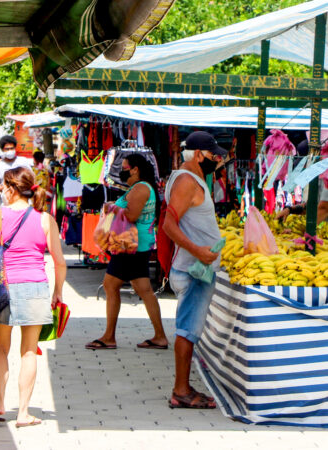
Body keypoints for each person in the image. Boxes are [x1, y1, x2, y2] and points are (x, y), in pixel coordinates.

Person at [0, 167, 66, 427]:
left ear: (11, 189)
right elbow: (60, 262)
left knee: (1, 348)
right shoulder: (44, 219)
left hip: (2, 288)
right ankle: (24, 413)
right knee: (29, 351)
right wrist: (58, 291)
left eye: (5, 186)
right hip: (34, 287)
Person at [162, 131, 227, 409]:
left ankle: (184, 386)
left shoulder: (190, 177)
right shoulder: (187, 181)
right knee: (187, 331)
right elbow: (168, 224)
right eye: (213, 154)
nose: (217, 159)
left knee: (188, 329)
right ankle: (181, 391)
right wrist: (199, 251)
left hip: (196, 268)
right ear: (198, 155)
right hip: (194, 270)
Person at [86, 154, 168, 350]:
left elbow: (131, 214)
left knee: (110, 285)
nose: (121, 172)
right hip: (136, 245)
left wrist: (112, 207)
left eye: (124, 167)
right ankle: (160, 336)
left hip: (129, 246)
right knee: (144, 290)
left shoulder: (140, 188)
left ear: (135, 169)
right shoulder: (141, 187)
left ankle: (109, 337)